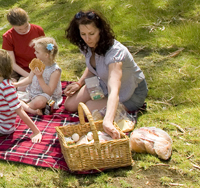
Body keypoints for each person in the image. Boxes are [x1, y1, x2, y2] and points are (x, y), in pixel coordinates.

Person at [62, 10, 148, 139]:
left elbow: (114, 88)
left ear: (101, 31)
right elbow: (93, 67)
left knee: (89, 108)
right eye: (83, 34)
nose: (87, 38)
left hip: (129, 92)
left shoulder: (115, 53)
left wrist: (108, 121)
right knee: (69, 105)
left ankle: (108, 110)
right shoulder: (86, 45)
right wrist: (79, 83)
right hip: (103, 82)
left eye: (91, 33)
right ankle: (101, 102)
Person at [14, 36, 63, 115]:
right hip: (33, 92)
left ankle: (23, 107)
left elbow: (49, 92)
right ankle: (30, 110)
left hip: (46, 96)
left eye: (37, 52)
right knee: (13, 96)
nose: (34, 53)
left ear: (46, 55)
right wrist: (16, 84)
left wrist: (39, 77)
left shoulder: (55, 71)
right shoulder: (37, 63)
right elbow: (29, 78)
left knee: (39, 102)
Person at [2, 7, 46, 79]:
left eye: (26, 26)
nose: (23, 30)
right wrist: (29, 76)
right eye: (19, 29)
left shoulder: (38, 30)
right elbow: (12, 64)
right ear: (12, 25)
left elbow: (46, 53)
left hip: (39, 67)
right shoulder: (8, 37)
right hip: (19, 70)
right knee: (14, 85)